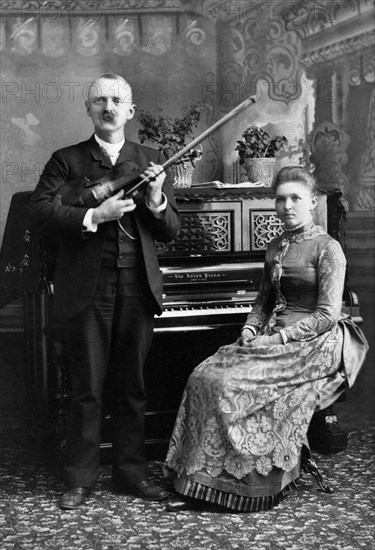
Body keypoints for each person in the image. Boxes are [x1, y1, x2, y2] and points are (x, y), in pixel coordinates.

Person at [164, 165, 368, 512]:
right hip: (272, 337)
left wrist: (274, 341)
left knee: (232, 386)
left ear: (313, 201)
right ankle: (202, 479)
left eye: (295, 198)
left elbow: (326, 316)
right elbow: (263, 300)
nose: (286, 206)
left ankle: (246, 485)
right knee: (203, 376)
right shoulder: (275, 245)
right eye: (279, 199)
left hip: (314, 344)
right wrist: (250, 329)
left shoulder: (328, 248)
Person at [28, 73, 180, 510]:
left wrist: (156, 200)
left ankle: (131, 473)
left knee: (132, 386)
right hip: (86, 290)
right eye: (100, 101)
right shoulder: (66, 159)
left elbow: (170, 232)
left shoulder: (152, 158)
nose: (109, 107)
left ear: (130, 111)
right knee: (87, 387)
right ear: (89, 109)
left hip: (137, 286)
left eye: (118, 100)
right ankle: (80, 477)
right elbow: (39, 214)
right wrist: (97, 214)